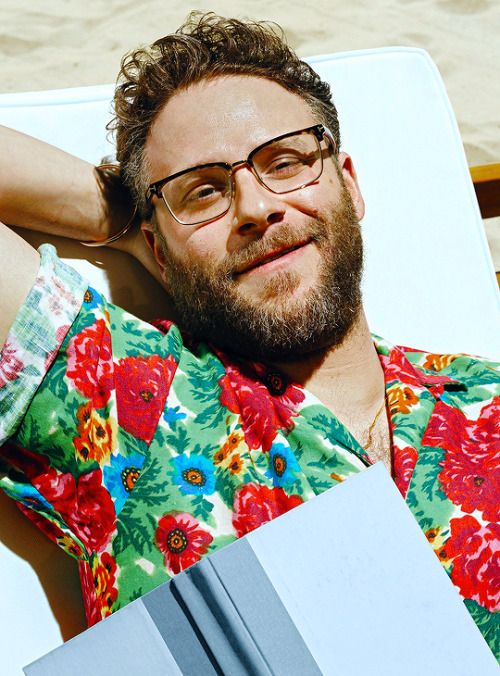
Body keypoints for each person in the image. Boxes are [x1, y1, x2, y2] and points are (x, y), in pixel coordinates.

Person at [0, 12, 498, 657]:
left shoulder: (484, 398)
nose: (258, 207)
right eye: (203, 193)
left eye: (285, 162)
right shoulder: (124, 392)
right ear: (157, 244)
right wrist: (123, 216)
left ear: (349, 183)